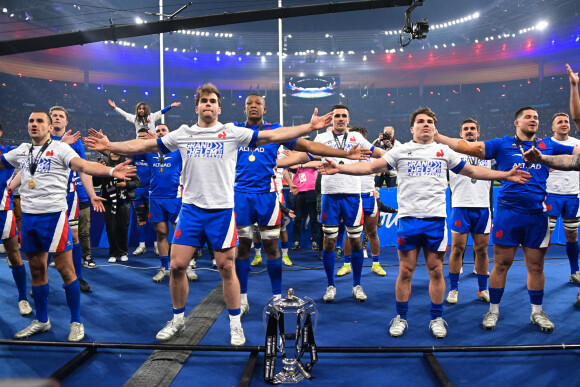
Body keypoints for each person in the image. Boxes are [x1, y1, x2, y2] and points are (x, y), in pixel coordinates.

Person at [84, 83, 333, 346]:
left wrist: (309, 128)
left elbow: (273, 137)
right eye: (204, 100)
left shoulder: (232, 132)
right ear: (197, 106)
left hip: (222, 211)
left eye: (212, 101)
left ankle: (235, 324)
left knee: (227, 267)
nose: (208, 104)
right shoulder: (182, 133)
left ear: (218, 107)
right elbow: (144, 147)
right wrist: (110, 144)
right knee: (177, 266)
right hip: (190, 210)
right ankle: (178, 320)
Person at [319, 107, 530, 338]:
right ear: (412, 128)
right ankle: (401, 317)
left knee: (436, 271)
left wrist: (505, 174)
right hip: (409, 220)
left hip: (436, 222)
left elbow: (473, 170)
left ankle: (437, 317)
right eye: (421, 121)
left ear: (434, 127)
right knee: (406, 271)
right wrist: (339, 167)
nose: (426, 124)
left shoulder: (444, 151)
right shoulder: (401, 151)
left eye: (430, 121)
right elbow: (370, 166)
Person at [435, 103, 580, 333]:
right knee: (501, 265)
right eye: (528, 117)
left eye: (536, 117)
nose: (533, 120)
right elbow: (470, 147)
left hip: (537, 215)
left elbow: (576, 158)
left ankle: (537, 312)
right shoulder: (502, 144)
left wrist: (544, 158)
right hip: (508, 214)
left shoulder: (548, 145)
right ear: (517, 122)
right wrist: (439, 136)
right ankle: (493, 310)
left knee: (536, 266)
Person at [2, 110, 135, 341]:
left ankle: (76, 322)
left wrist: (112, 170)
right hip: (30, 217)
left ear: (48, 125)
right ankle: (42, 320)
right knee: (37, 270)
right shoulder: (22, 151)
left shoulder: (61, 148)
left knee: (66, 271)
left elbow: (84, 166)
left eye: (39, 121)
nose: (35, 124)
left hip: (54, 218)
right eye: (31, 120)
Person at [233, 93, 370, 315]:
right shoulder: (233, 131)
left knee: (271, 246)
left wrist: (344, 154)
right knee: (243, 248)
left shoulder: (275, 131)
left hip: (267, 197)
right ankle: (242, 297)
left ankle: (277, 297)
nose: (253, 106)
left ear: (265, 109)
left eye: (258, 103)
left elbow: (308, 147)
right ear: (244, 109)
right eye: (249, 103)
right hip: (240, 196)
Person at [310, 105, 386, 304]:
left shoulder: (357, 138)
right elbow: (307, 155)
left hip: (353, 195)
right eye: (337, 116)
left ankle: (357, 285)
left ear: (348, 119)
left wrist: (397, 155)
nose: (341, 119)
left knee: (356, 242)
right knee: (329, 243)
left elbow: (376, 151)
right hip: (330, 195)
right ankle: (330, 285)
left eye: (344, 116)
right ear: (332, 118)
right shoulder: (321, 138)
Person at [49, 106, 105, 290]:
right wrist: (61, 144)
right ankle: (41, 280)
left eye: (60, 116)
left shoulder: (76, 142)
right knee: (46, 237)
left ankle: (78, 276)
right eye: (54, 116)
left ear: (66, 121)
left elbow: (83, 169)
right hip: (47, 196)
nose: (57, 118)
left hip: (69, 195)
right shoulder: (43, 138)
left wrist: (92, 195)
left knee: (74, 235)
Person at [446, 119, 494, 305]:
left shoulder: (488, 153)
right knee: (457, 250)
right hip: (460, 206)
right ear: (461, 134)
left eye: (473, 129)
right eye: (465, 129)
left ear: (478, 133)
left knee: (481, 250)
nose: (469, 131)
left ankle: (483, 289)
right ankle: (453, 289)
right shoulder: (451, 153)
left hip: (482, 207)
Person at [336, 126, 387, 277]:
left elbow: (387, 166)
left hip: (368, 196)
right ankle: (346, 264)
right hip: (351, 197)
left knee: (372, 232)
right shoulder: (345, 155)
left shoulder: (374, 155)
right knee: (350, 232)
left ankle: (376, 264)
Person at [543, 112, 580, 285]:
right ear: (553, 127)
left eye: (566, 121)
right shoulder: (545, 144)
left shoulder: (577, 144)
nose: (564, 124)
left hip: (573, 196)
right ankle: (538, 271)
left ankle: (575, 271)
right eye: (559, 122)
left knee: (572, 236)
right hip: (550, 195)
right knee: (544, 236)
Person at [0, 122, 33, 317]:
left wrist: (59, 142)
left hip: (3, 211)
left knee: (14, 254)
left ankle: (22, 298)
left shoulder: (8, 151)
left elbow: (35, 149)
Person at [93, 153, 140, 263]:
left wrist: (125, 185)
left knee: (123, 228)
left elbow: (137, 182)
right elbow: (95, 182)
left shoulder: (127, 167)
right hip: (108, 203)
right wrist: (97, 171)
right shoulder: (104, 167)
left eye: (116, 152)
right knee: (111, 228)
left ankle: (123, 252)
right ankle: (113, 253)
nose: (114, 154)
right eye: (111, 152)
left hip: (124, 202)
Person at [131, 128, 154, 256]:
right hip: (138, 190)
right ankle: (142, 245)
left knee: (155, 220)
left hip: (152, 190)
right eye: (139, 137)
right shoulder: (133, 154)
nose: (141, 139)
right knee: (140, 219)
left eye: (143, 137)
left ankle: (157, 245)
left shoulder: (154, 153)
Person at [108, 99, 181, 136]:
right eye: (139, 109)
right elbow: (125, 114)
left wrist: (170, 106)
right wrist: (115, 108)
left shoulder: (152, 116)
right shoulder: (135, 119)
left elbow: (162, 111)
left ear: (146, 109)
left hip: (151, 141)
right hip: (140, 141)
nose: (141, 110)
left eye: (143, 109)